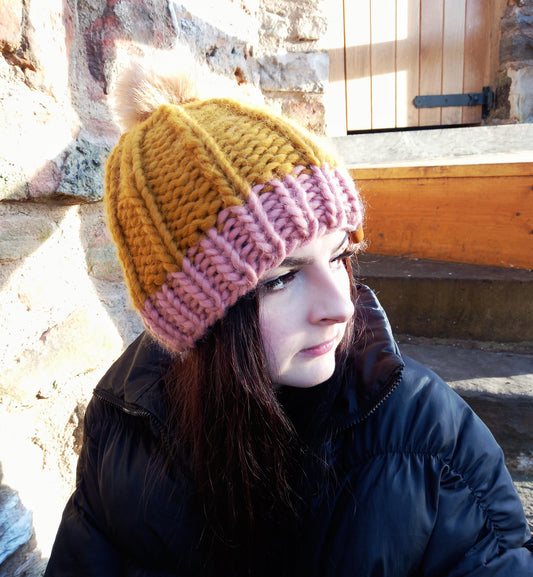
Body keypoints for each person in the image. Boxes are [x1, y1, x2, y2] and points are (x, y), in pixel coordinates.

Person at [44, 55, 533, 577]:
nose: (341, 305)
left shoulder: (427, 434)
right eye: (280, 277)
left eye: (341, 254)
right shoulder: (125, 427)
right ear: (192, 319)